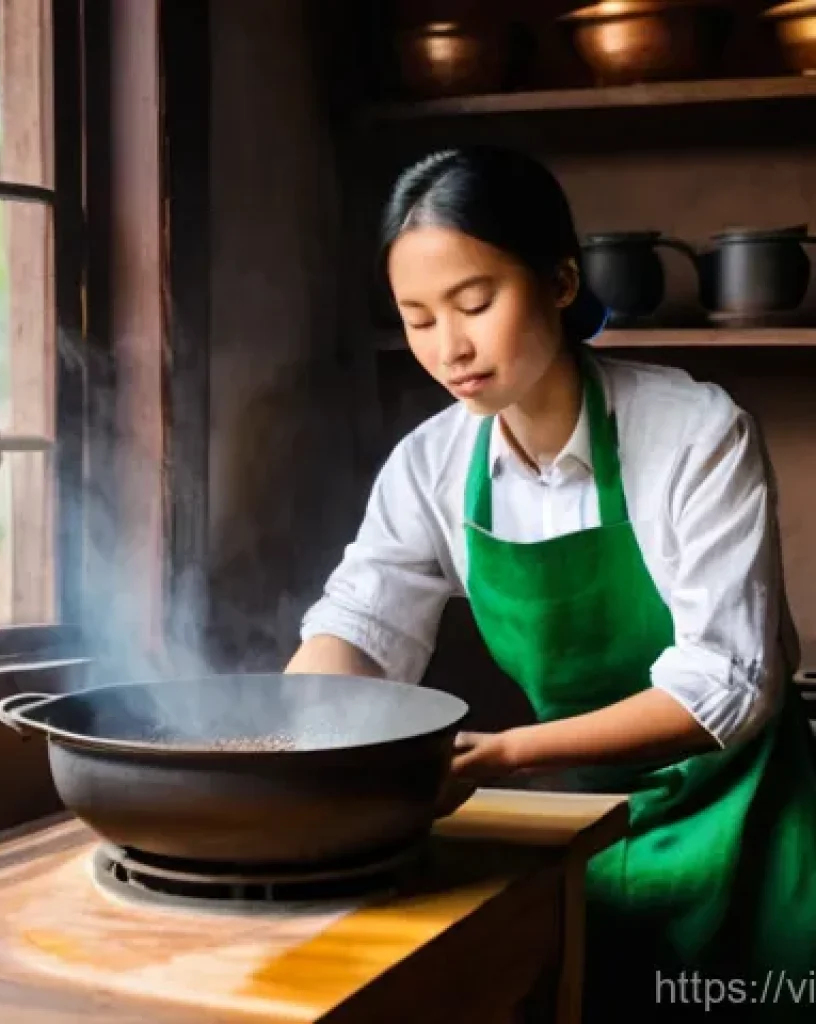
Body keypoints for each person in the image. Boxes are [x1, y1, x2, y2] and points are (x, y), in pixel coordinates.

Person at [285, 145, 816, 1021]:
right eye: (417, 319)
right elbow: (363, 620)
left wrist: (505, 755)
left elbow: (729, 683)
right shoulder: (432, 464)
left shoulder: (694, 434)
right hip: (584, 833)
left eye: (475, 302)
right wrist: (287, 744)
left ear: (562, 281)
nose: (449, 347)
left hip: (747, 829)